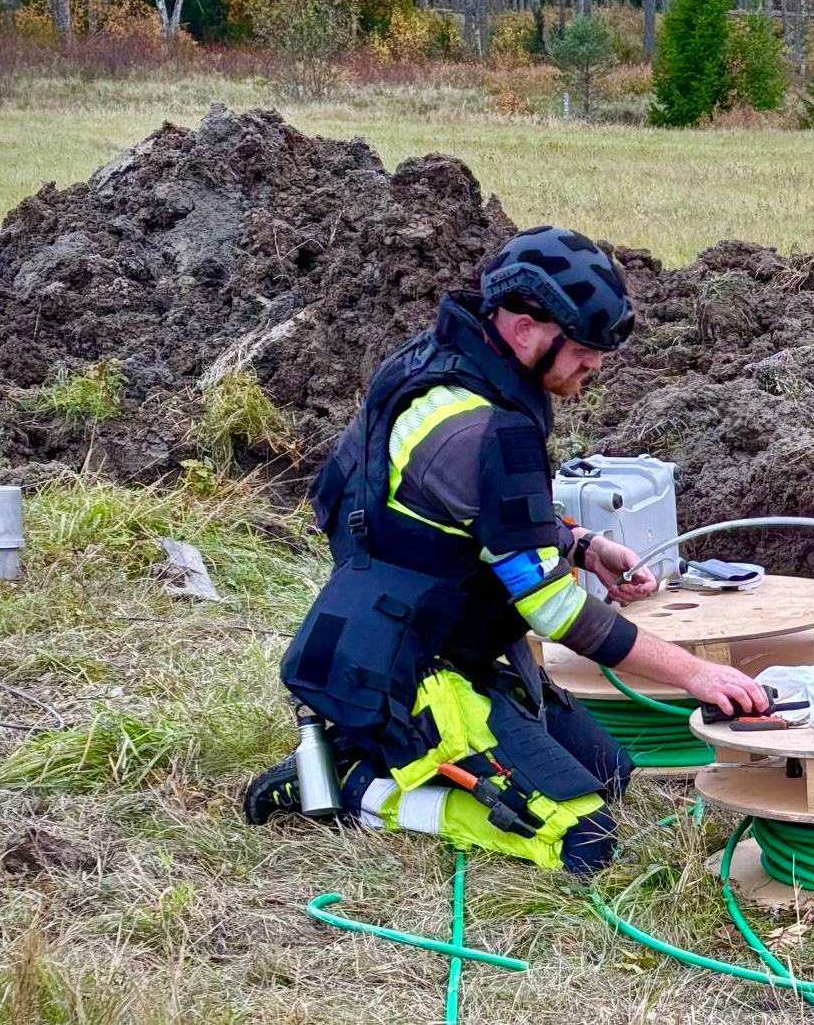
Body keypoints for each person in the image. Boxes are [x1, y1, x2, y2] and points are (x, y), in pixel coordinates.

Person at [243, 227, 768, 872]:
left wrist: (579, 543)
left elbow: (457, 517)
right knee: (587, 839)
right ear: (525, 330)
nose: (595, 366)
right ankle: (353, 788)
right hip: (405, 672)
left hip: (429, 638)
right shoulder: (488, 428)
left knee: (614, 777)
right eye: (582, 351)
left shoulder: (433, 366)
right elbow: (555, 614)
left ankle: (399, 746)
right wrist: (696, 674)